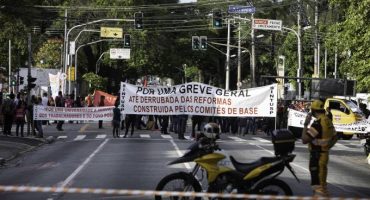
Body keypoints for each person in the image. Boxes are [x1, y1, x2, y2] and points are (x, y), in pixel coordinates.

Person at [301, 99, 337, 197]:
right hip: (324, 155)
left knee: (318, 186)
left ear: (313, 110)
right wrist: (327, 146)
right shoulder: (328, 121)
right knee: (322, 184)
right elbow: (335, 136)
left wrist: (305, 125)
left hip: (317, 157)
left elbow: (304, 139)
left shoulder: (317, 124)